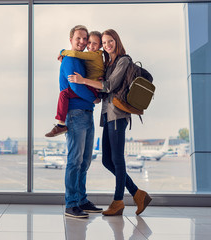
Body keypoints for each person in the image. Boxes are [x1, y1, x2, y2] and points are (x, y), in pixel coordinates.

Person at [68, 29, 152, 216]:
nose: (107, 45)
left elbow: (109, 86)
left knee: (117, 160)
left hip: (118, 115)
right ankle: (138, 194)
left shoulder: (123, 60)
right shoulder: (109, 63)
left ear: (117, 41)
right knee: (107, 160)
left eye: (109, 41)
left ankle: (118, 201)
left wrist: (83, 80)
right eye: (104, 43)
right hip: (108, 115)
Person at [59, 25, 103, 218]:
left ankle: (81, 200)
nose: (83, 42)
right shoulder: (70, 59)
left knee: (85, 160)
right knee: (75, 160)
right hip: (75, 112)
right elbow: (75, 86)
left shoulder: (81, 59)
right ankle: (71, 204)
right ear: (71, 39)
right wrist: (93, 99)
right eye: (79, 38)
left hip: (87, 113)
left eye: (85, 39)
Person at [45, 31, 104, 137]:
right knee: (80, 154)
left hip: (86, 107)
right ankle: (60, 124)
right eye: (88, 42)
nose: (86, 44)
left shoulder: (90, 56)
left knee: (64, 94)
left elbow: (77, 86)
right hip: (80, 110)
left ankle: (60, 124)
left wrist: (63, 52)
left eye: (85, 39)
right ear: (71, 40)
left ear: (100, 45)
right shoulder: (78, 59)